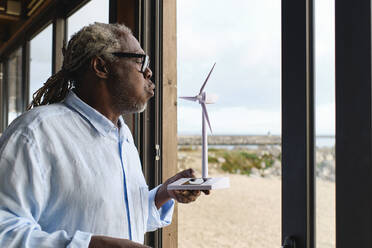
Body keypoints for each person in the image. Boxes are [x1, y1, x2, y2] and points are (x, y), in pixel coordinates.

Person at [0, 22, 208, 248]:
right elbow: (4, 232)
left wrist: (164, 193)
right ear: (101, 66)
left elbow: (119, 216)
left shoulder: (123, 135)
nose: (148, 71)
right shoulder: (35, 133)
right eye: (140, 61)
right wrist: (91, 245)